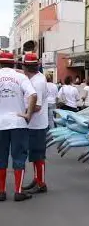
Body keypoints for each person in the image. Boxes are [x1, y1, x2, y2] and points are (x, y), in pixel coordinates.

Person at [0, 51, 37, 202]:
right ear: (14, 63)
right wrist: (28, 114)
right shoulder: (21, 77)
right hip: (18, 122)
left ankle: (1, 192)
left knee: (0, 157)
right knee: (19, 156)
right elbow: (33, 95)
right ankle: (18, 191)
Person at [21, 54, 49, 195]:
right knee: (34, 155)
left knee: (37, 155)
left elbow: (36, 107)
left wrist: (22, 114)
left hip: (36, 124)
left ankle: (41, 183)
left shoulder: (37, 82)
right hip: (36, 123)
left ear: (26, 67)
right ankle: (37, 179)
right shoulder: (36, 77)